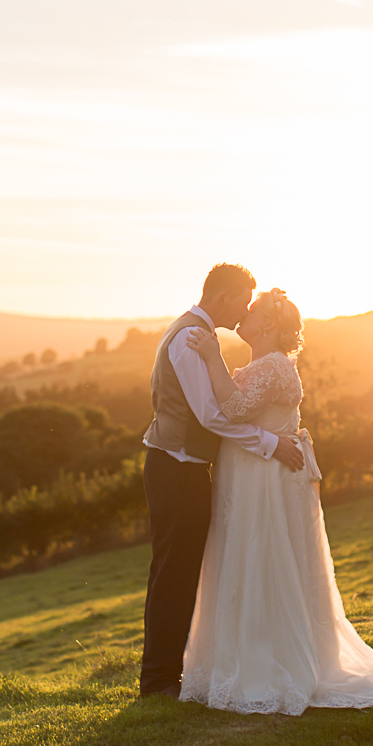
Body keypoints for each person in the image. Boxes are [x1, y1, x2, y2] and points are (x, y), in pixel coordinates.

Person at [179, 287, 373, 715]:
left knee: (266, 559)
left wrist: (211, 357)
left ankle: (271, 661)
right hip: (247, 478)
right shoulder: (263, 364)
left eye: (254, 309)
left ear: (267, 325)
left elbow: (237, 408)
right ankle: (242, 654)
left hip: (265, 483)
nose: (245, 312)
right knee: (246, 559)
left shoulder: (276, 366)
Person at [139, 263, 305, 699]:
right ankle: (158, 682)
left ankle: (170, 675)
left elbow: (222, 402)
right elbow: (212, 415)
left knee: (186, 573)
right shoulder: (192, 339)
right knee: (174, 575)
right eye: (242, 302)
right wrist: (269, 443)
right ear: (223, 298)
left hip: (186, 468)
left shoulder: (198, 335)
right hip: (176, 470)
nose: (243, 312)